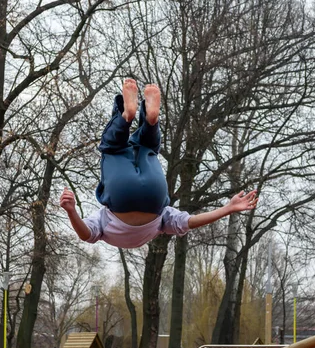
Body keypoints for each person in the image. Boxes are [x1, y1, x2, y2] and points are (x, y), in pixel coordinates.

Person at [60, 78, 258, 249]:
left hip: (155, 194)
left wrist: (228, 208)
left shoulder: (161, 223)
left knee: (148, 149)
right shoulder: (104, 222)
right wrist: (71, 210)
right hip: (122, 192)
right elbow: (86, 235)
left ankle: (150, 122)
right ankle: (127, 117)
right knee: (112, 147)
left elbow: (189, 222)